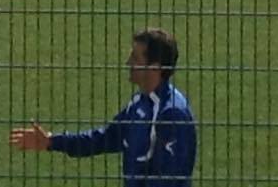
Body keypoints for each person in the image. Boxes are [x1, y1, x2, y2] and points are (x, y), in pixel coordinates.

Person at [10, 27, 197, 187]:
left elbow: (168, 180)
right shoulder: (140, 102)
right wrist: (51, 141)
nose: (128, 63)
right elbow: (104, 138)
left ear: (155, 67)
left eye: (135, 58)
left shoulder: (171, 113)